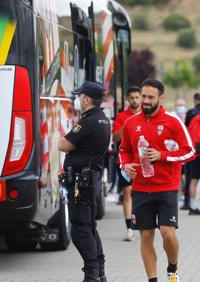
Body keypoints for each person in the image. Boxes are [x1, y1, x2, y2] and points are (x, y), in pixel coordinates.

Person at [119, 79, 195, 282]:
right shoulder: (131, 122)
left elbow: (190, 152)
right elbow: (123, 150)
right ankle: (152, 279)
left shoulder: (173, 122)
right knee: (145, 235)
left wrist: (162, 156)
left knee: (167, 232)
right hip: (141, 188)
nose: (145, 100)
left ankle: (172, 268)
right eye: (143, 96)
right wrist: (124, 165)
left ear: (161, 98)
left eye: (150, 97)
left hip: (167, 187)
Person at [58, 81, 110, 282]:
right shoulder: (102, 119)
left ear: (87, 99)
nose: (78, 99)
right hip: (89, 180)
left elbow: (63, 144)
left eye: (80, 96)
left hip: (82, 182)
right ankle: (100, 272)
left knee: (80, 229)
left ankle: (91, 274)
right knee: (89, 226)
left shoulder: (88, 122)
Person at [112, 86, 141, 241]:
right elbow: (115, 137)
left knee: (144, 192)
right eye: (132, 98)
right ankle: (129, 227)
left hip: (143, 161)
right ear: (127, 99)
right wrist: (128, 123)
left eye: (137, 97)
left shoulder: (147, 115)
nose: (135, 100)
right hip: (125, 161)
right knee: (128, 192)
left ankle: (145, 224)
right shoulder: (122, 116)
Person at [181, 92, 200, 210]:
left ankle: (187, 201)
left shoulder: (190, 112)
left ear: (195, 100)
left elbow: (186, 129)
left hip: (192, 148)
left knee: (190, 176)